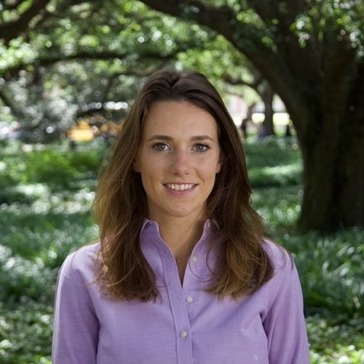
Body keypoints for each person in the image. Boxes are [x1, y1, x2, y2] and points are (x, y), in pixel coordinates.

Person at [52, 69, 310, 364]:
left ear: (220, 158)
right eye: (161, 146)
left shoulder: (270, 269)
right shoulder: (84, 275)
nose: (181, 166)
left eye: (200, 147)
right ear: (135, 157)